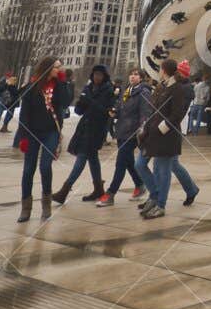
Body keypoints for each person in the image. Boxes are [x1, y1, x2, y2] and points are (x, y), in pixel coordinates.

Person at [137, 58, 189, 220]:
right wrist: (147, 127)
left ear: (165, 70)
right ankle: (156, 198)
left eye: (160, 68)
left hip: (167, 136)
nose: (159, 71)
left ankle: (160, 204)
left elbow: (177, 113)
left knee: (163, 170)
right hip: (154, 135)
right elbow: (154, 110)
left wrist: (162, 127)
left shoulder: (177, 89)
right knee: (150, 167)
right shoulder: (162, 87)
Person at [55, 65, 115, 203]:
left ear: (104, 76)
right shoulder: (88, 88)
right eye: (95, 74)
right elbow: (79, 111)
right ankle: (98, 189)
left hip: (97, 130)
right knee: (93, 159)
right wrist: (81, 103)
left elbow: (106, 111)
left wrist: (90, 101)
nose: (97, 77)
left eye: (100, 74)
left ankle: (65, 189)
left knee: (81, 158)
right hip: (84, 128)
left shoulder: (108, 91)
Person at [16, 57, 62, 223]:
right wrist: (23, 136)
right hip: (33, 132)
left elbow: (65, 102)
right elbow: (24, 114)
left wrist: (63, 83)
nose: (59, 70)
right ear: (48, 68)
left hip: (51, 132)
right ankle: (26, 207)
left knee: (45, 166)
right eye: (57, 67)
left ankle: (46, 205)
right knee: (28, 169)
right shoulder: (32, 87)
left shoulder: (58, 87)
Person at [97, 69, 148, 207]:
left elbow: (145, 114)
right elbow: (120, 108)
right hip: (121, 131)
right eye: (131, 74)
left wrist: (141, 129)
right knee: (128, 161)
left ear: (141, 78)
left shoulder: (144, 92)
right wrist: (115, 112)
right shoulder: (126, 91)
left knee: (120, 162)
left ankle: (111, 193)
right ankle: (140, 184)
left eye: (136, 74)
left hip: (132, 133)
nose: (133, 76)